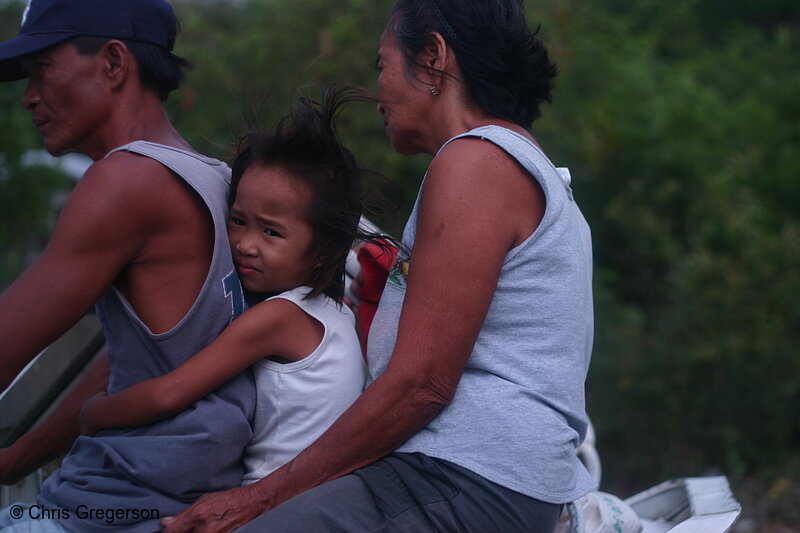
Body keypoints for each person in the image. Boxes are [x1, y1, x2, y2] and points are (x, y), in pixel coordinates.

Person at [162, 1, 596, 532]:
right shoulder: (531, 171)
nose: (378, 94)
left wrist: (258, 499)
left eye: (382, 65)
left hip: (462, 478)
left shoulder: (476, 162)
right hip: (494, 481)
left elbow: (421, 386)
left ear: (433, 59)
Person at [0, 0, 255, 531]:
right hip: (159, 503)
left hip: (106, 510)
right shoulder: (213, 176)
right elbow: (131, 365)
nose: (28, 96)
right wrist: (20, 456)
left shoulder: (125, 182)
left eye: (42, 69)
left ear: (114, 63)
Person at [78, 87, 375, 489]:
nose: (245, 244)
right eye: (237, 221)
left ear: (322, 250)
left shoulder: (280, 317)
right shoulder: (336, 311)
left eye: (271, 232)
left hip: (267, 504)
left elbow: (168, 395)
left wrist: (94, 414)